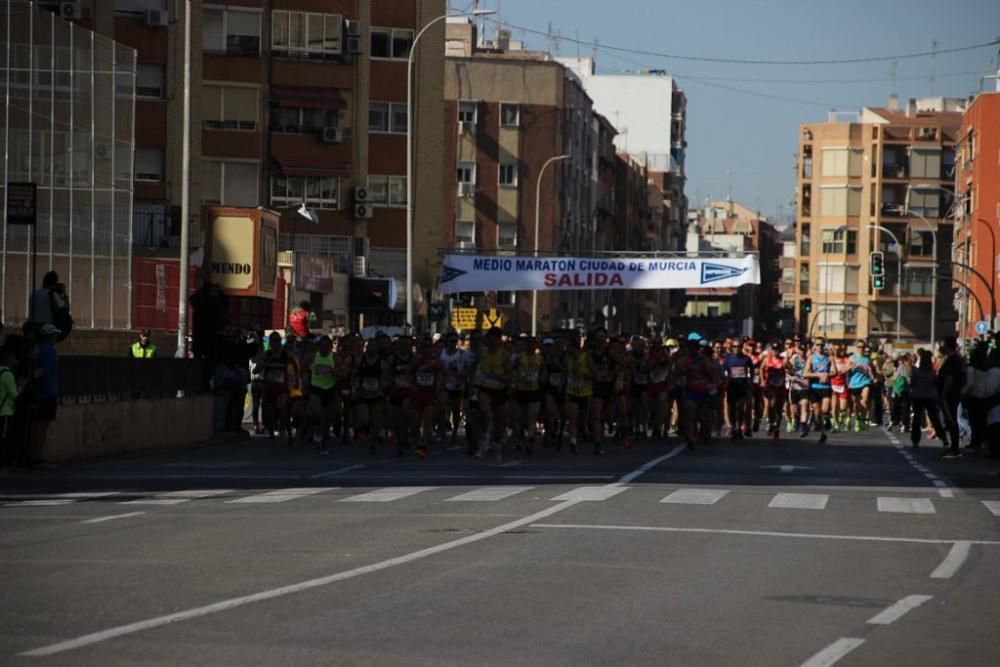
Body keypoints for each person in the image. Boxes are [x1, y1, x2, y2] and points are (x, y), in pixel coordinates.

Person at [910, 348, 949, 451]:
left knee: (917, 420)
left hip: (918, 397)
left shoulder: (916, 372)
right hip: (930, 397)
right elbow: (936, 385)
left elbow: (912, 384)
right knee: (935, 419)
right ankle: (943, 437)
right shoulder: (932, 373)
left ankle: (915, 440)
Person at [936, 336, 964, 458]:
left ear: (947, 345)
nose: (941, 347)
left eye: (943, 344)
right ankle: (954, 447)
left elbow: (949, 379)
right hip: (951, 394)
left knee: (952, 421)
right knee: (950, 421)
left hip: (950, 396)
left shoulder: (953, 360)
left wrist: (943, 394)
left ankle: (955, 449)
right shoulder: (953, 359)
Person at [722, 340, 753, 440]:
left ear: (741, 347)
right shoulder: (728, 359)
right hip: (731, 387)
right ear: (732, 347)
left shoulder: (746, 359)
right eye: (734, 346)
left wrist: (750, 381)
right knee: (732, 409)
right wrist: (724, 383)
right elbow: (723, 372)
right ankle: (733, 427)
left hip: (742, 387)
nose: (736, 348)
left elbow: (751, 370)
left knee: (741, 408)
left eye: (738, 346)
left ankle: (739, 428)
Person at [803, 337, 832, 443]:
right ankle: (823, 433)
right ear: (814, 346)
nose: (820, 347)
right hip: (814, 388)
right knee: (817, 413)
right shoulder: (811, 358)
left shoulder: (828, 358)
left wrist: (828, 374)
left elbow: (835, 372)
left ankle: (828, 418)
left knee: (824, 409)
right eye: (818, 345)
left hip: (825, 387)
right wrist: (817, 375)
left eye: (822, 345)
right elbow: (805, 373)